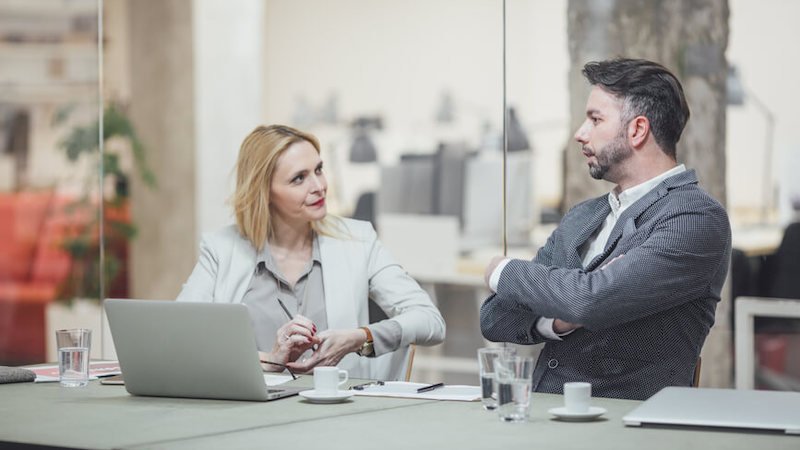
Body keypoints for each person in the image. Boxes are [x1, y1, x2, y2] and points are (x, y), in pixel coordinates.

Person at [479, 58, 731, 400]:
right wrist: (558, 321)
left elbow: (589, 300)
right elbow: (495, 317)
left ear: (637, 130)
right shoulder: (583, 216)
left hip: (625, 427)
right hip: (543, 417)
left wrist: (502, 269)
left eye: (595, 119)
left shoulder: (694, 218)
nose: (580, 134)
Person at [177, 124, 445, 381]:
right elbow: (180, 337)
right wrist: (270, 360)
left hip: (338, 415)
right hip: (247, 416)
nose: (319, 186)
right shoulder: (221, 249)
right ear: (264, 191)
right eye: (299, 178)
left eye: (318, 169)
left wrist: (361, 337)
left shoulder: (358, 240)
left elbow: (430, 321)